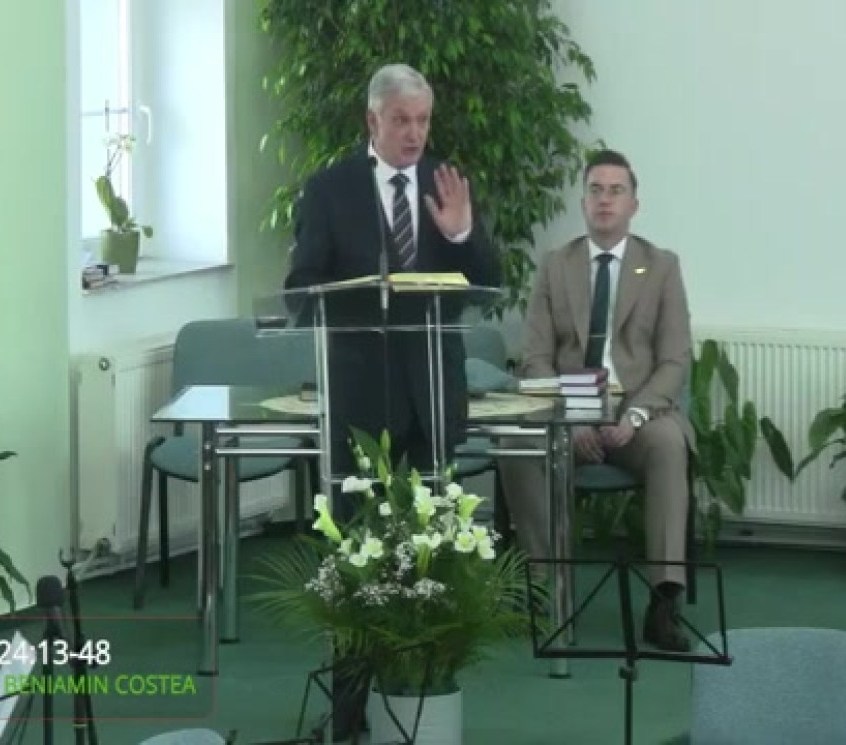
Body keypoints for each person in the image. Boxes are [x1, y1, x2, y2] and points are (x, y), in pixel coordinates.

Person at [283, 62, 501, 740]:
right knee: (358, 558)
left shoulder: (447, 185)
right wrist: (362, 294)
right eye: (401, 120)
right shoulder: (330, 189)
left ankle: (421, 701)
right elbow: (300, 289)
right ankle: (350, 711)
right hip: (359, 400)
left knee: (432, 556)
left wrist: (462, 234)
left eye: (423, 120)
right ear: (372, 121)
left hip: (431, 393)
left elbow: (489, 284)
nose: (414, 133)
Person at [497, 149, 695, 653]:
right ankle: (548, 587)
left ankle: (664, 600)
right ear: (583, 201)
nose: (605, 200)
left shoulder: (662, 266)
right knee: (516, 446)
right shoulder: (555, 266)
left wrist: (636, 415)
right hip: (569, 411)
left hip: (637, 413)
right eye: (595, 190)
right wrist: (573, 418)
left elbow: (674, 359)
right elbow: (536, 357)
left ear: (633, 204)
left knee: (669, 444)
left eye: (616, 191)